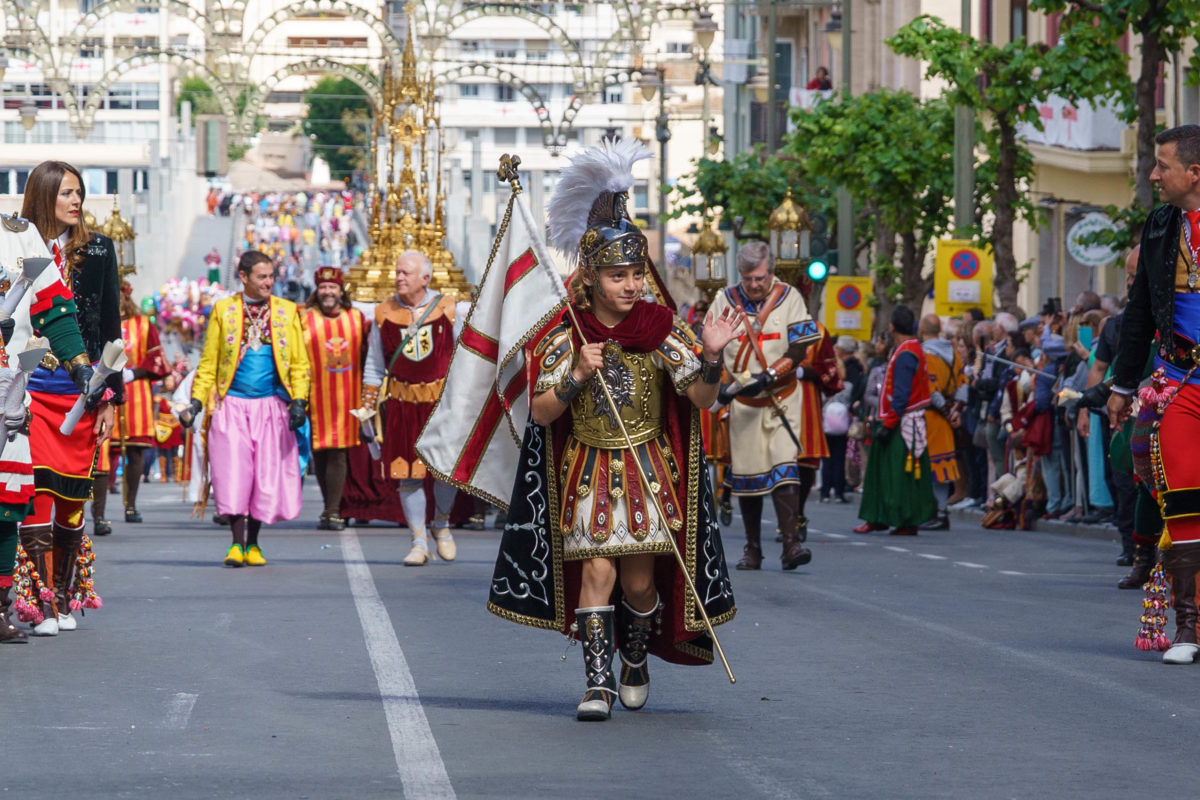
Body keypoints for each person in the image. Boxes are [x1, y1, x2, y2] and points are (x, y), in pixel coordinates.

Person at [489, 139, 738, 720]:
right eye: (617, 275)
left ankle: (635, 653)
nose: (630, 285)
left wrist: (713, 355)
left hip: (651, 469)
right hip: (587, 469)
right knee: (596, 572)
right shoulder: (565, 334)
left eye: (634, 274)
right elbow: (543, 413)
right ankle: (597, 684)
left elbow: (700, 398)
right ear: (593, 277)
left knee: (640, 585)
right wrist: (576, 373)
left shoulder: (662, 328)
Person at [1107, 124, 1200, 664]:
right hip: (1181, 381)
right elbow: (1139, 311)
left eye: (1162, 165)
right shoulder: (1161, 225)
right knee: (1184, 501)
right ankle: (1187, 628)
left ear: (1194, 173)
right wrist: (1122, 384)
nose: (1153, 174)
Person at [19, 160, 122, 635]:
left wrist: (109, 398)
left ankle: (63, 596)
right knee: (37, 490)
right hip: (29, 392)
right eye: (66, 193)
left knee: (72, 499)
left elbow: (109, 326)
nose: (77, 201)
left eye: (79, 192)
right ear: (43, 197)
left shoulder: (99, 250)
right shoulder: (17, 248)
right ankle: (37, 600)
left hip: (83, 393)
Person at [0, 209, 104, 641]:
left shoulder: (18, 235)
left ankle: (0, 608)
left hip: (7, 392)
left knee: (6, 504)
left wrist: (80, 366)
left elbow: (55, 309)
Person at [180, 250, 310, 567]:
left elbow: (299, 363)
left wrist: (300, 401)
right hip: (231, 405)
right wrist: (196, 402)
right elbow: (208, 362)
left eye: (271, 277)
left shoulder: (287, 311)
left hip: (271, 408)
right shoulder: (224, 311)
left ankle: (254, 544)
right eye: (262, 277)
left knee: (264, 479)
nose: (269, 283)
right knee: (234, 475)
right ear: (244, 277)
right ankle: (236, 544)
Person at [708, 241, 821, 571]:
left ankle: (791, 544)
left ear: (771, 272)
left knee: (785, 465)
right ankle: (753, 548)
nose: (755, 285)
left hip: (782, 398)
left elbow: (800, 346)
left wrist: (772, 374)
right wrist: (724, 385)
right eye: (748, 279)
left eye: (760, 278)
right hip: (743, 401)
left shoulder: (789, 297)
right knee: (748, 477)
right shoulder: (723, 300)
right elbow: (711, 344)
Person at [358, 250, 459, 566]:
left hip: (440, 404)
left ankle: (441, 524)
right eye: (397, 272)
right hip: (401, 405)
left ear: (425, 278)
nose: (398, 277)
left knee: (444, 472)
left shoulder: (449, 309)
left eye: (406, 273)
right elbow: (375, 365)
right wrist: (367, 408)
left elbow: (465, 359)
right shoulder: (384, 313)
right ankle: (418, 540)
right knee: (408, 473)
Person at [855, 305, 937, 536]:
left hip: (899, 423)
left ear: (892, 327)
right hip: (901, 420)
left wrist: (888, 425)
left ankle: (899, 519)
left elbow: (900, 395)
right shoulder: (910, 348)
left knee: (894, 474)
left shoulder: (905, 353)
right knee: (890, 473)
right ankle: (883, 518)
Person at [301, 266, 367, 531]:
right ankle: (329, 507)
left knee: (338, 452)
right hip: (315, 396)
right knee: (320, 453)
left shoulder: (357, 318)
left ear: (341, 290)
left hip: (347, 397)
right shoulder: (305, 319)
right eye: (323, 287)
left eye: (333, 287)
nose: (328, 292)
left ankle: (332, 510)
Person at [111, 281, 170, 525]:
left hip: (137, 392)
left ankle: (131, 504)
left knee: (135, 449)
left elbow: (156, 358)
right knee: (104, 449)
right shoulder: (104, 321)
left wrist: (135, 373)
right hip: (109, 389)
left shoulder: (143, 324)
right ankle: (98, 509)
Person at [918, 314, 966, 530]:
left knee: (931, 466)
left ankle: (937, 512)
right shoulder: (953, 353)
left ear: (922, 329)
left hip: (932, 415)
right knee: (942, 465)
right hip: (947, 415)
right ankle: (940, 511)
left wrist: (947, 411)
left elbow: (931, 389)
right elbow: (962, 382)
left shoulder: (926, 354)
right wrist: (957, 409)